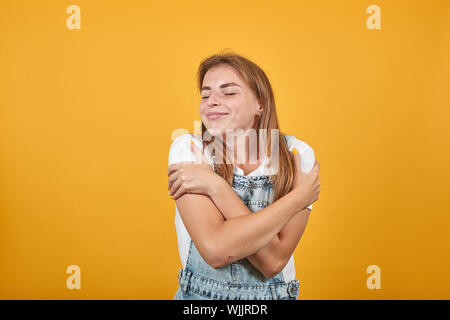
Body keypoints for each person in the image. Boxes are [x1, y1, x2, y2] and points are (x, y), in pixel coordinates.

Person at [167, 51, 321, 300]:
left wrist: (217, 187)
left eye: (229, 92)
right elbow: (216, 250)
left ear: (260, 104)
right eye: (205, 94)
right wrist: (299, 197)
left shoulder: (296, 154)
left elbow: (273, 262)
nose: (212, 101)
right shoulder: (189, 149)